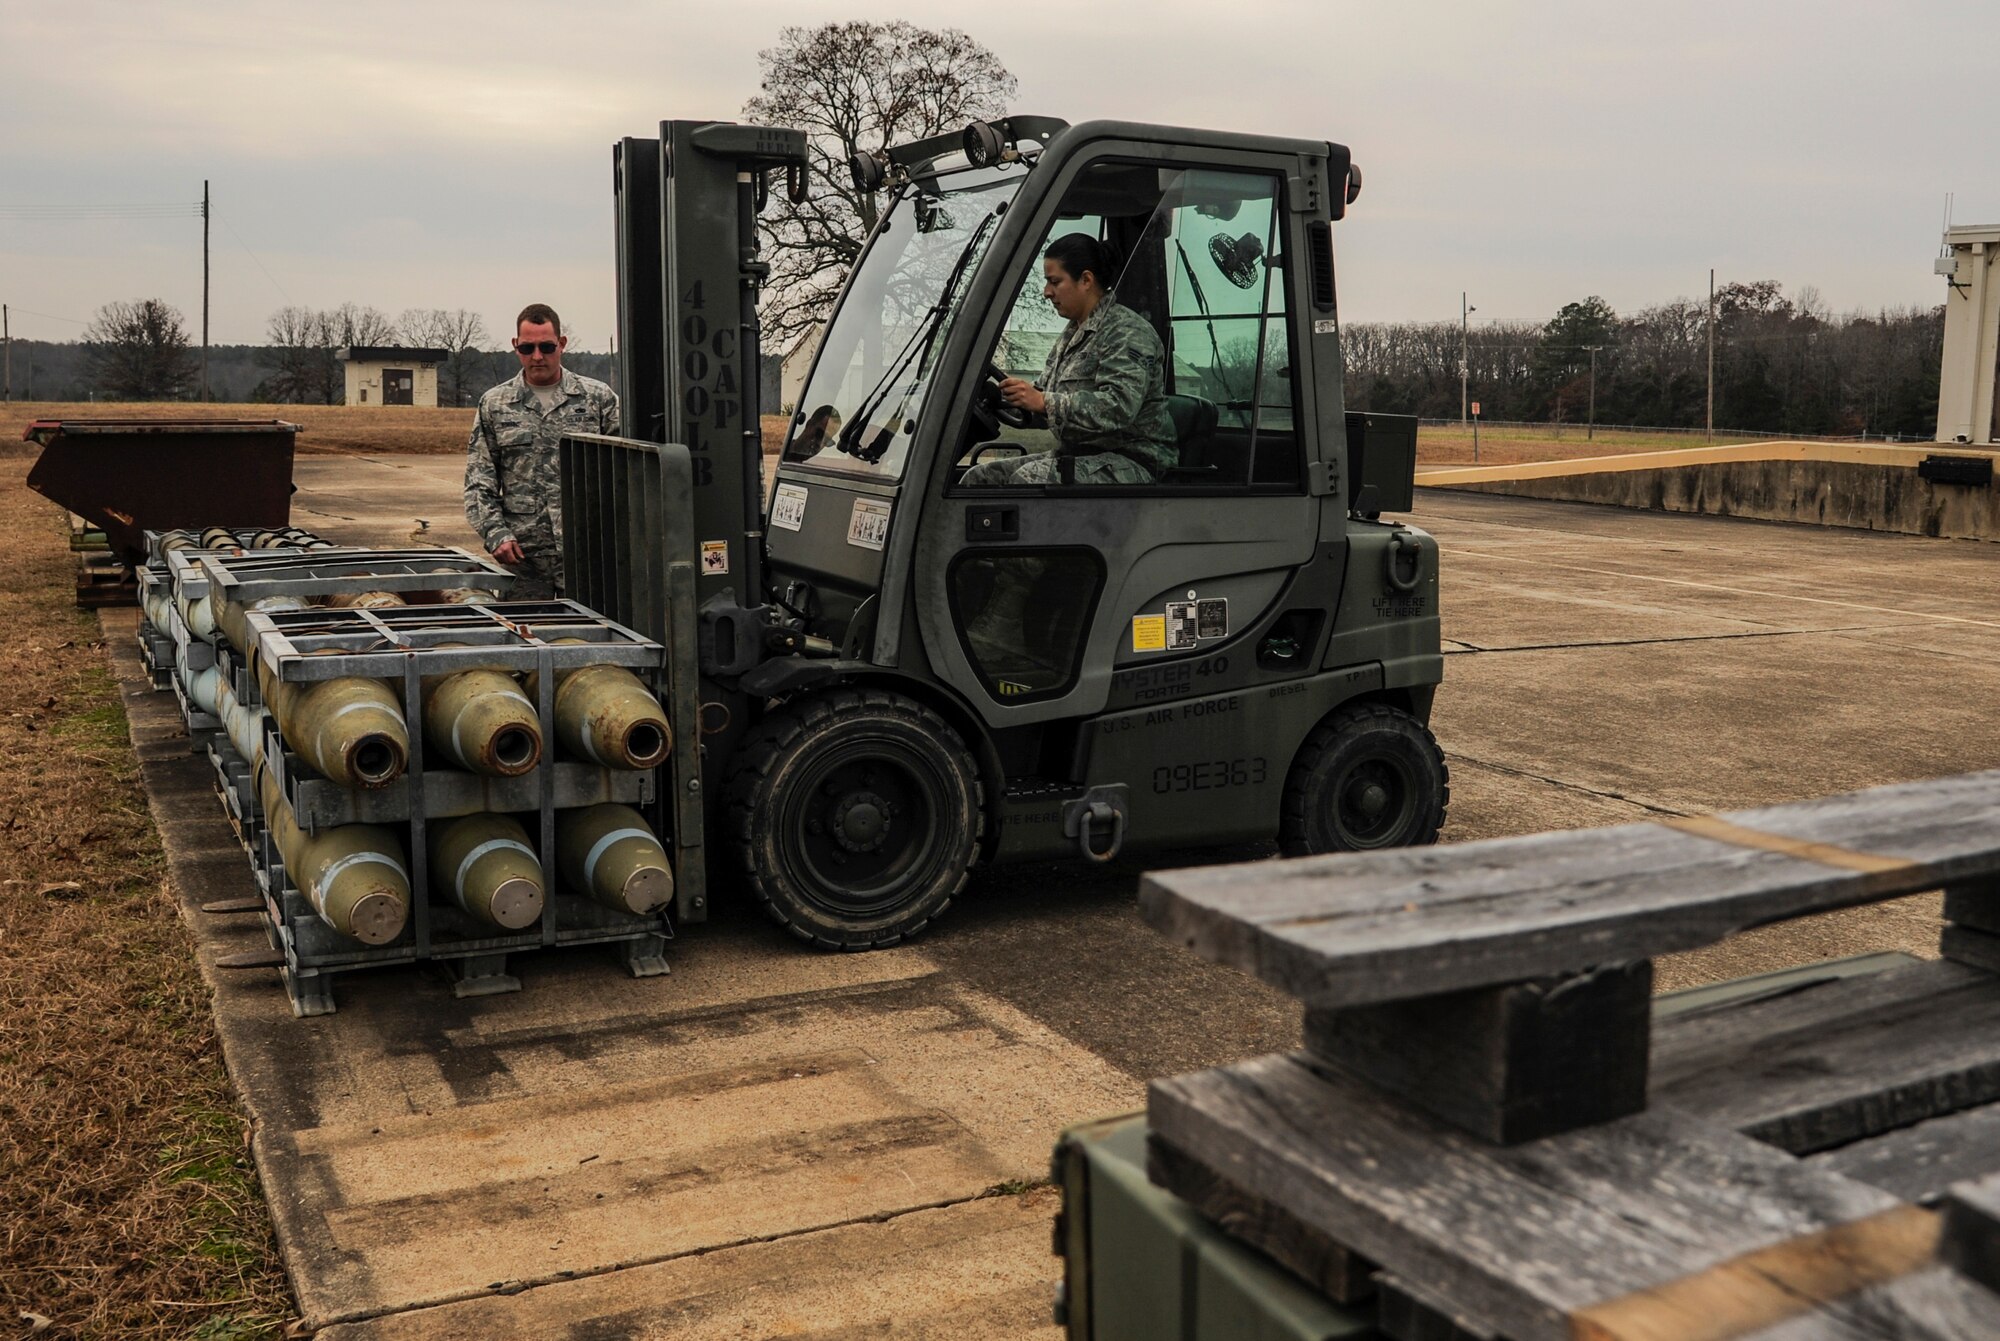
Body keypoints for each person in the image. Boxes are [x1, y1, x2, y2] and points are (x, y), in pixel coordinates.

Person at [961, 233, 1176, 486]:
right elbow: (1046, 403)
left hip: (1133, 462)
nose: (1046, 292)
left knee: (1028, 482)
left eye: (1055, 282)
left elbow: (1118, 409)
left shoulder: (1127, 332)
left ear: (1086, 280)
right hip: (1081, 457)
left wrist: (1042, 401)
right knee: (981, 478)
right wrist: (1009, 399)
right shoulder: (1073, 333)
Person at [463, 303, 621, 599]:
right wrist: (496, 533)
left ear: (562, 344)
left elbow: (626, 474)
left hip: (588, 557)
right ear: (515, 346)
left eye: (547, 346)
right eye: (527, 348)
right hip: (524, 562)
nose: (537, 356)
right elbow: (478, 483)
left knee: (593, 638)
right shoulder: (495, 404)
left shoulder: (598, 400)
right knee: (527, 638)